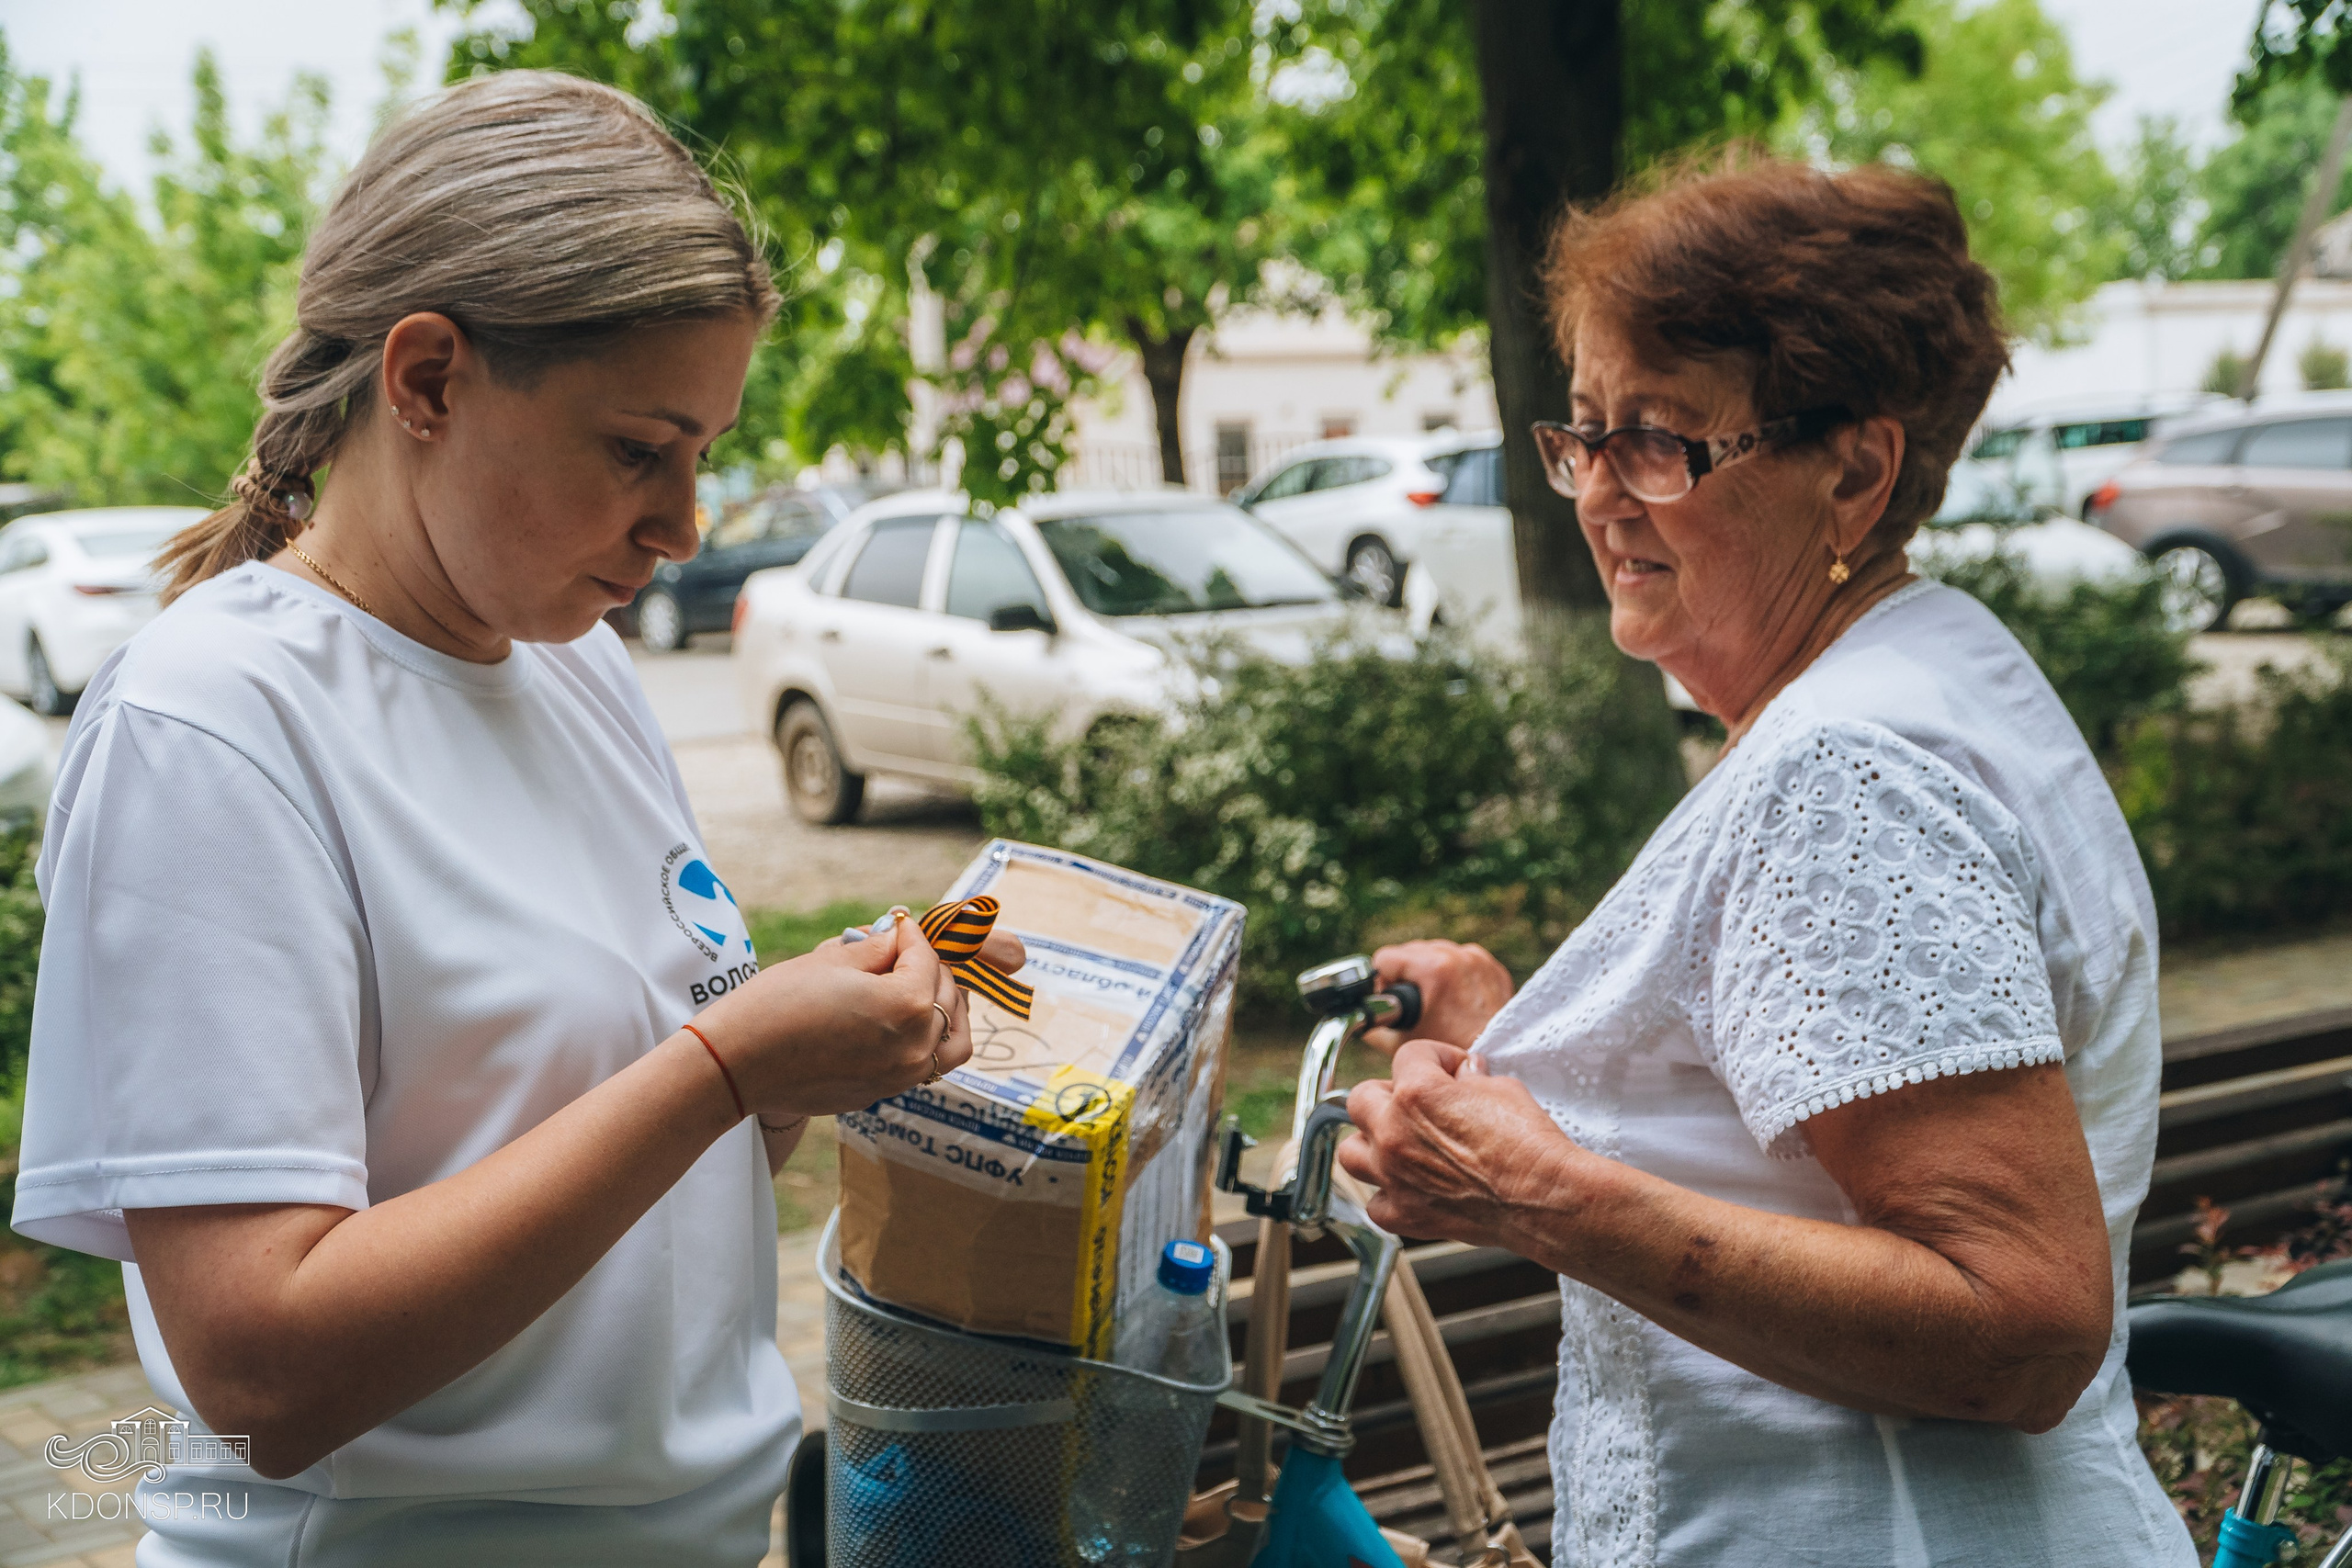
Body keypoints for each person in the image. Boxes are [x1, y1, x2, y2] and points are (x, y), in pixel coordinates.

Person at [9, 72, 1012, 1567]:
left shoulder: (573, 666)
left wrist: (801, 1061)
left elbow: (580, 1128)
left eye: (703, 456)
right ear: (426, 381)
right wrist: (725, 1070)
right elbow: (264, 1369)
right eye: (637, 450)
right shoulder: (214, 722)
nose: (684, 529)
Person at [1339, 153, 2196, 1565]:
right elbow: (1800, 1106)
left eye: (1663, 440)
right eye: (1585, 432)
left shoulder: (1845, 769)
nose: (1600, 495)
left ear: (1852, 468)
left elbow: (2023, 1324)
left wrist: (1539, 1194)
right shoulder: (1928, 667)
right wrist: (1529, 1052)